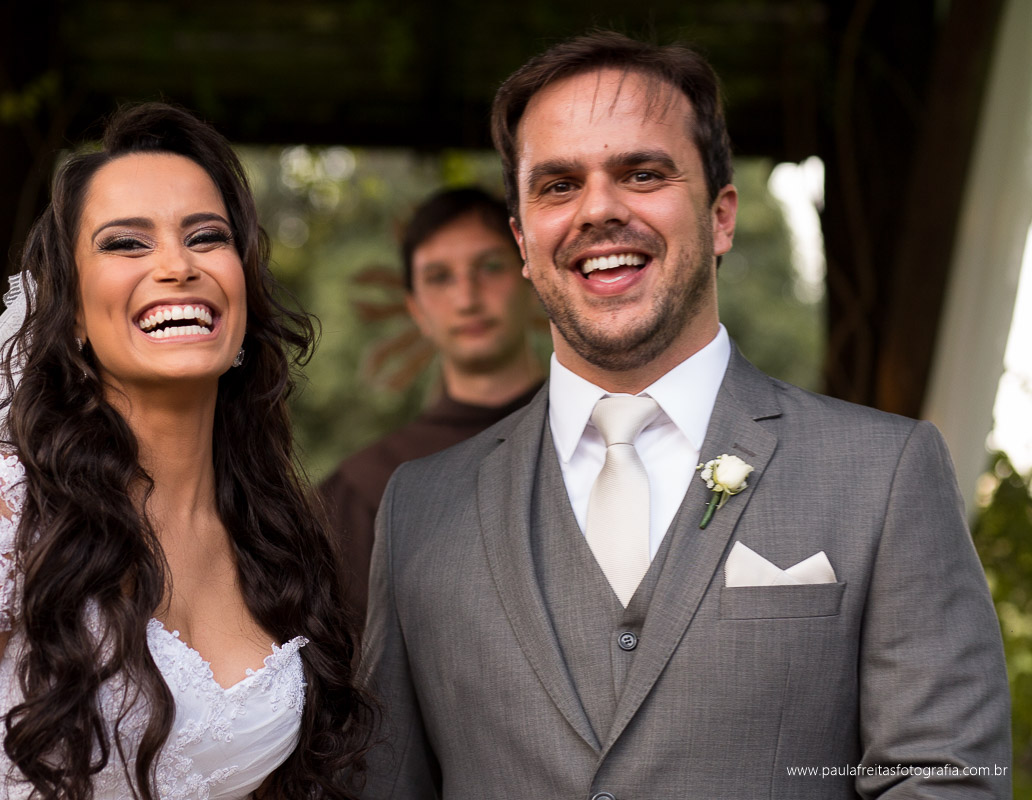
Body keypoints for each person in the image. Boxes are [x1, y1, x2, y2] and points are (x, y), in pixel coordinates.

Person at [360, 31, 1011, 799]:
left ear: (721, 216)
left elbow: (941, 781)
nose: (598, 210)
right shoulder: (420, 510)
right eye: (558, 185)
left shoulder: (885, 474)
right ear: (524, 244)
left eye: (642, 172)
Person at [0, 103, 372, 799]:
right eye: (126, 243)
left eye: (207, 237)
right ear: (74, 314)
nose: (178, 266)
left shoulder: (275, 535)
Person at [320, 187, 543, 625]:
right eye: (440, 277)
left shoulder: (605, 436)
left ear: (531, 277)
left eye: (490, 267)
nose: (467, 298)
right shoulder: (363, 490)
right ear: (415, 308)